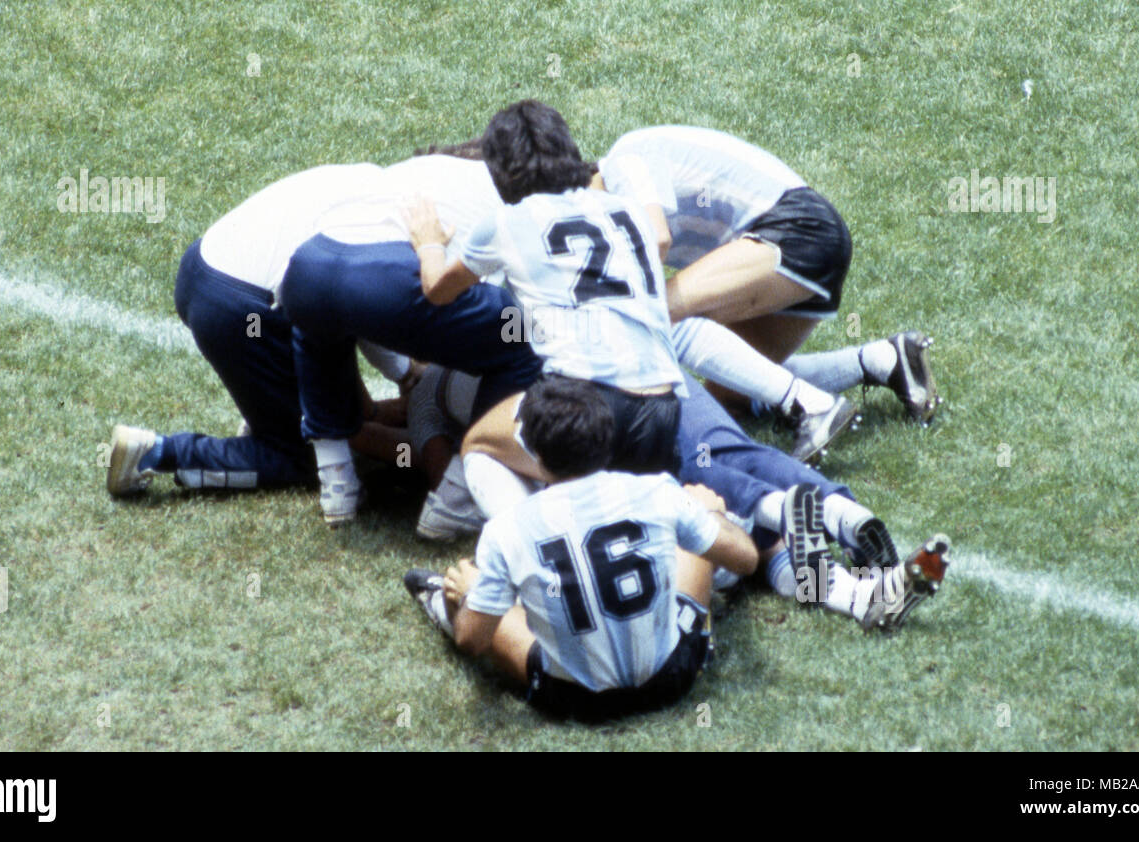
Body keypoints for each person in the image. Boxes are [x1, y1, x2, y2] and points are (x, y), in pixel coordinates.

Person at [106, 155, 543, 522]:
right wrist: (407, 388)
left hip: (210, 271)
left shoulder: (383, 186)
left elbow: (347, 298)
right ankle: (160, 453)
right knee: (295, 457)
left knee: (337, 392)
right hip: (245, 305)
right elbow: (355, 296)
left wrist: (400, 379)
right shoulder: (419, 216)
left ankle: (286, 411)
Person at [403, 376, 758, 720]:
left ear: (531, 448)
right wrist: (709, 512)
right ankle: (713, 572)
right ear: (608, 435)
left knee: (471, 594)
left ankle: (443, 599)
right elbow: (747, 557)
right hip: (671, 677)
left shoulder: (506, 529)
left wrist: (471, 595)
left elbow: (471, 641)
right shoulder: (658, 491)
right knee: (693, 520)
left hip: (573, 699)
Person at [407, 100, 687, 520]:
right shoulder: (628, 210)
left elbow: (438, 291)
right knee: (640, 513)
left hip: (585, 406)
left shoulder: (506, 222)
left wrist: (430, 242)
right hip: (663, 405)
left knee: (479, 445)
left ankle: (531, 546)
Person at [596, 125, 940, 425]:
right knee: (733, 392)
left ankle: (814, 408)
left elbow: (657, 239)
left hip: (797, 229)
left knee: (655, 311)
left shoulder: (623, 161)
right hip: (810, 247)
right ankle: (883, 359)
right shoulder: (608, 207)